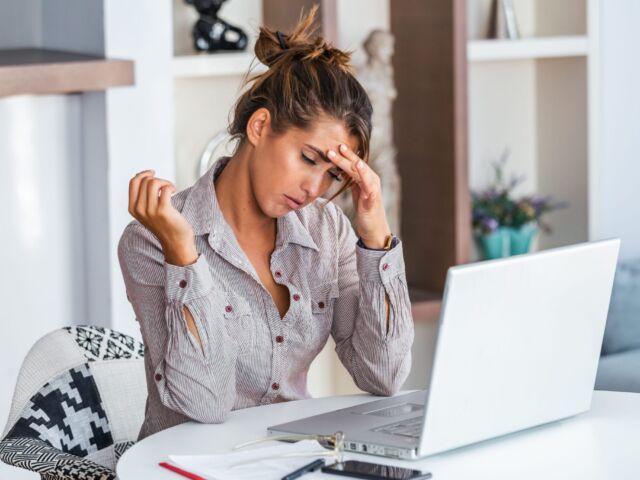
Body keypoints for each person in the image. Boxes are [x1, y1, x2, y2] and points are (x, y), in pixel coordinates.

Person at [118, 7, 414, 440]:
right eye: (308, 159)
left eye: (333, 174)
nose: (315, 186)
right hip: (185, 466)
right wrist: (184, 255)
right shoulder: (151, 239)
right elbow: (205, 403)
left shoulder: (327, 229)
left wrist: (375, 237)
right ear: (260, 126)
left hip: (292, 459)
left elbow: (383, 375)